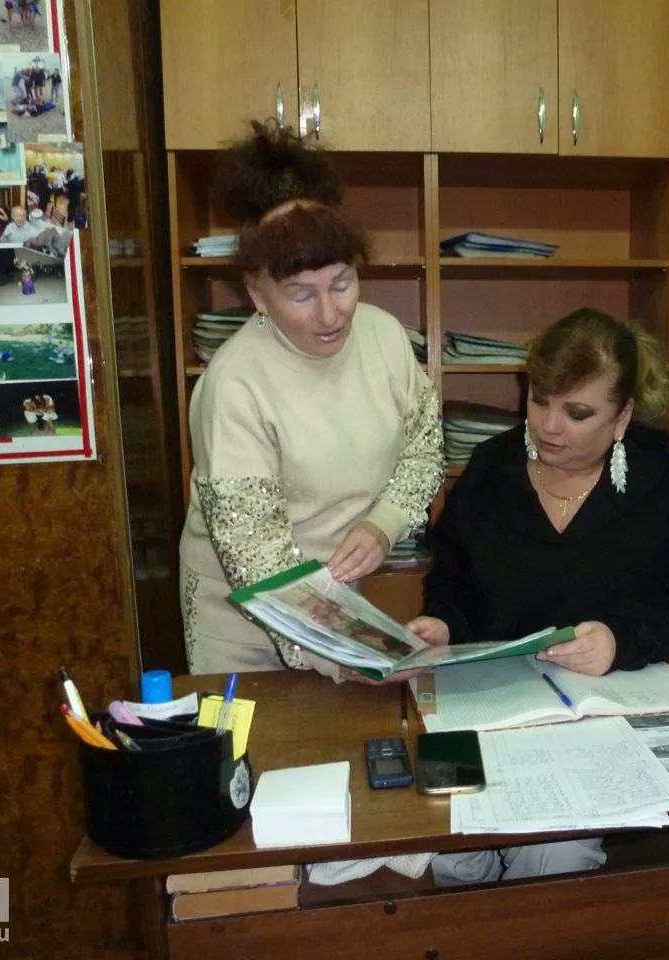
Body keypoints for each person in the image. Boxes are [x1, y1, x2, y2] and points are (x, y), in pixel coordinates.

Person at [407, 307, 669, 885]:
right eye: (539, 400)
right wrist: (442, 623)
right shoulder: (492, 466)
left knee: (554, 856)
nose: (549, 425)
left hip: (606, 709)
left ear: (623, 416)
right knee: (446, 844)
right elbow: (453, 579)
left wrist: (621, 639)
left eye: (578, 413)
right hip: (488, 702)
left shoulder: (664, 473)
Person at [178, 122, 444, 677]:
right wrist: (355, 654)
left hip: (340, 600)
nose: (330, 314)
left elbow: (423, 449)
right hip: (246, 619)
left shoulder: (384, 337)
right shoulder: (234, 385)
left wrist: (384, 524)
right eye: (301, 295)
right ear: (257, 292)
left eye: (342, 284)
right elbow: (258, 560)